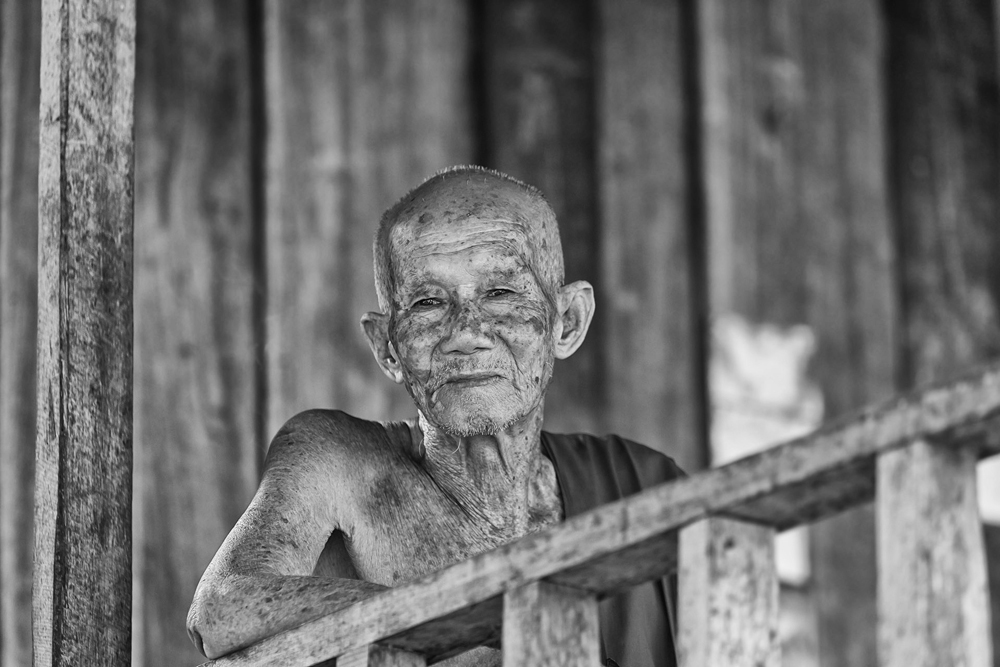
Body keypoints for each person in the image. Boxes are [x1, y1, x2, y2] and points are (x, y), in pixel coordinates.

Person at [187, 166, 684, 666]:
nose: (467, 332)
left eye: (501, 293)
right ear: (387, 347)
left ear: (567, 321)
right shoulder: (337, 459)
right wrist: (479, 623)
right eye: (427, 302)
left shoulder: (646, 487)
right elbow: (222, 609)